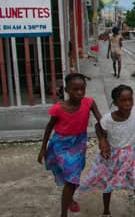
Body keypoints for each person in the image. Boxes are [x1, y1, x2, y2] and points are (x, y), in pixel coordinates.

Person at [79, 84, 135, 217]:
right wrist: (103, 141)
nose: (128, 103)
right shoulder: (108, 119)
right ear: (115, 102)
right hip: (113, 155)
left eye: (130, 99)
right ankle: (106, 211)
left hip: (133, 154)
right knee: (108, 183)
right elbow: (98, 127)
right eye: (123, 100)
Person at [37, 73, 104, 217]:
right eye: (75, 89)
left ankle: (70, 199)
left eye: (82, 89)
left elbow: (101, 121)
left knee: (72, 177)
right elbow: (49, 127)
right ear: (67, 90)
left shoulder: (89, 103)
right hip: (61, 145)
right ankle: (63, 213)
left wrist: (105, 137)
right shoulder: (58, 108)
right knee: (71, 179)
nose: (79, 93)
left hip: (79, 144)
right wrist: (43, 149)